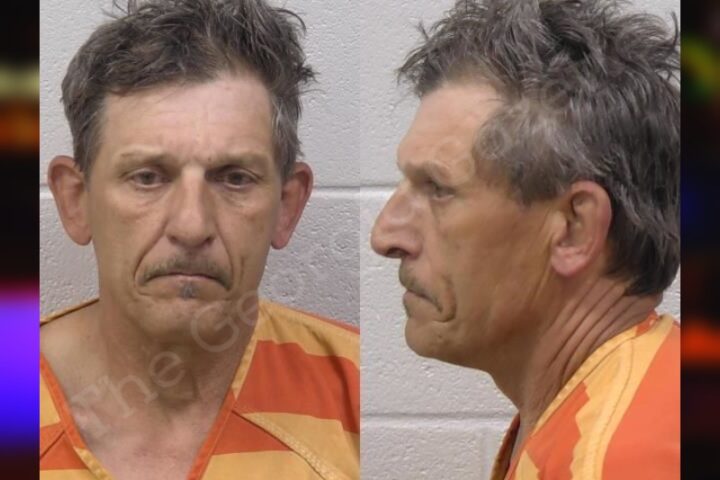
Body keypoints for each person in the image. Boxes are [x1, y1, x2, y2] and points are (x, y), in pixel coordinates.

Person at [40, 1, 359, 479]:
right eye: (147, 177)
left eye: (234, 178)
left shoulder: (356, 390)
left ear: (287, 205)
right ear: (76, 200)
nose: (191, 226)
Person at [370, 0, 679, 478]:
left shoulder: (615, 462)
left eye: (438, 189)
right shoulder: (624, 404)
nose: (385, 235)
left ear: (574, 229)